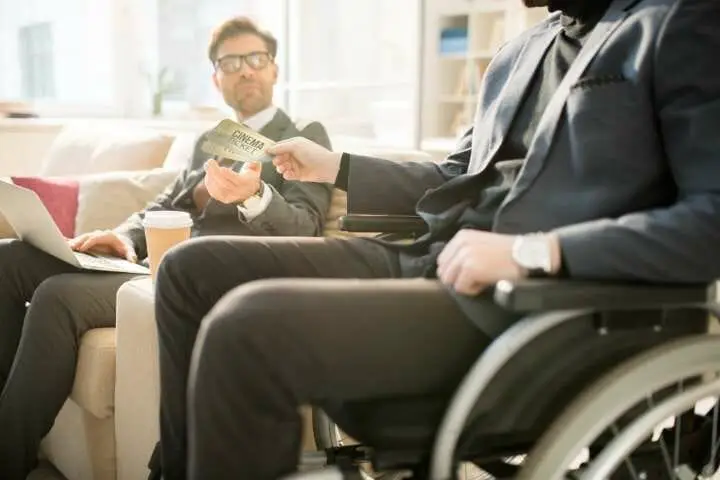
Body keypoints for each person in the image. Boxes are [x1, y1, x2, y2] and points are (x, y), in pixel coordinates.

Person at [154, 0, 720, 478]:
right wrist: (336, 167)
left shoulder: (678, 23)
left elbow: (710, 220)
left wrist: (535, 251)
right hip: (427, 257)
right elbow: (456, 178)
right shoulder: (520, 52)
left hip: (521, 306)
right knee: (189, 270)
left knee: (249, 327)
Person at [0, 16, 332, 480]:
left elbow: (308, 226)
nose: (245, 71)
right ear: (216, 78)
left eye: (256, 59)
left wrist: (253, 196)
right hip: (158, 262)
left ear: (274, 69)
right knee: (9, 258)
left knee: (57, 295)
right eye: (230, 62)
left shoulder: (304, 136)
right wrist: (125, 235)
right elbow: (163, 203)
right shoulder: (208, 143)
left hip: (217, 273)